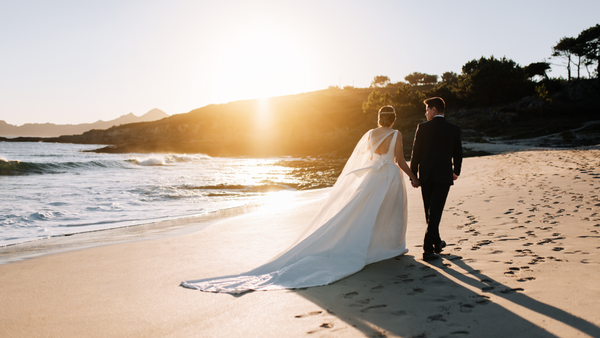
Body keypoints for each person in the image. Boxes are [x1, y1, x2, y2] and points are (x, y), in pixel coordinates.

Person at [182, 105, 420, 293]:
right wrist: (414, 177)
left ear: (379, 118)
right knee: (391, 211)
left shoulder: (370, 134)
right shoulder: (396, 133)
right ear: (394, 119)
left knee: (365, 213)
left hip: (371, 177)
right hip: (389, 176)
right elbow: (399, 160)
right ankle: (390, 247)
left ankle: (376, 246)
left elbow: (369, 159)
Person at [409, 97, 463, 262]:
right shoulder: (453, 129)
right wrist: (456, 171)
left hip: (426, 176)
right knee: (435, 212)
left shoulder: (422, 128)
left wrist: (414, 176)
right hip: (443, 176)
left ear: (433, 109)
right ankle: (436, 244)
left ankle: (428, 249)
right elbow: (458, 153)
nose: (425, 113)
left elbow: (415, 153)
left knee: (430, 212)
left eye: (426, 110)